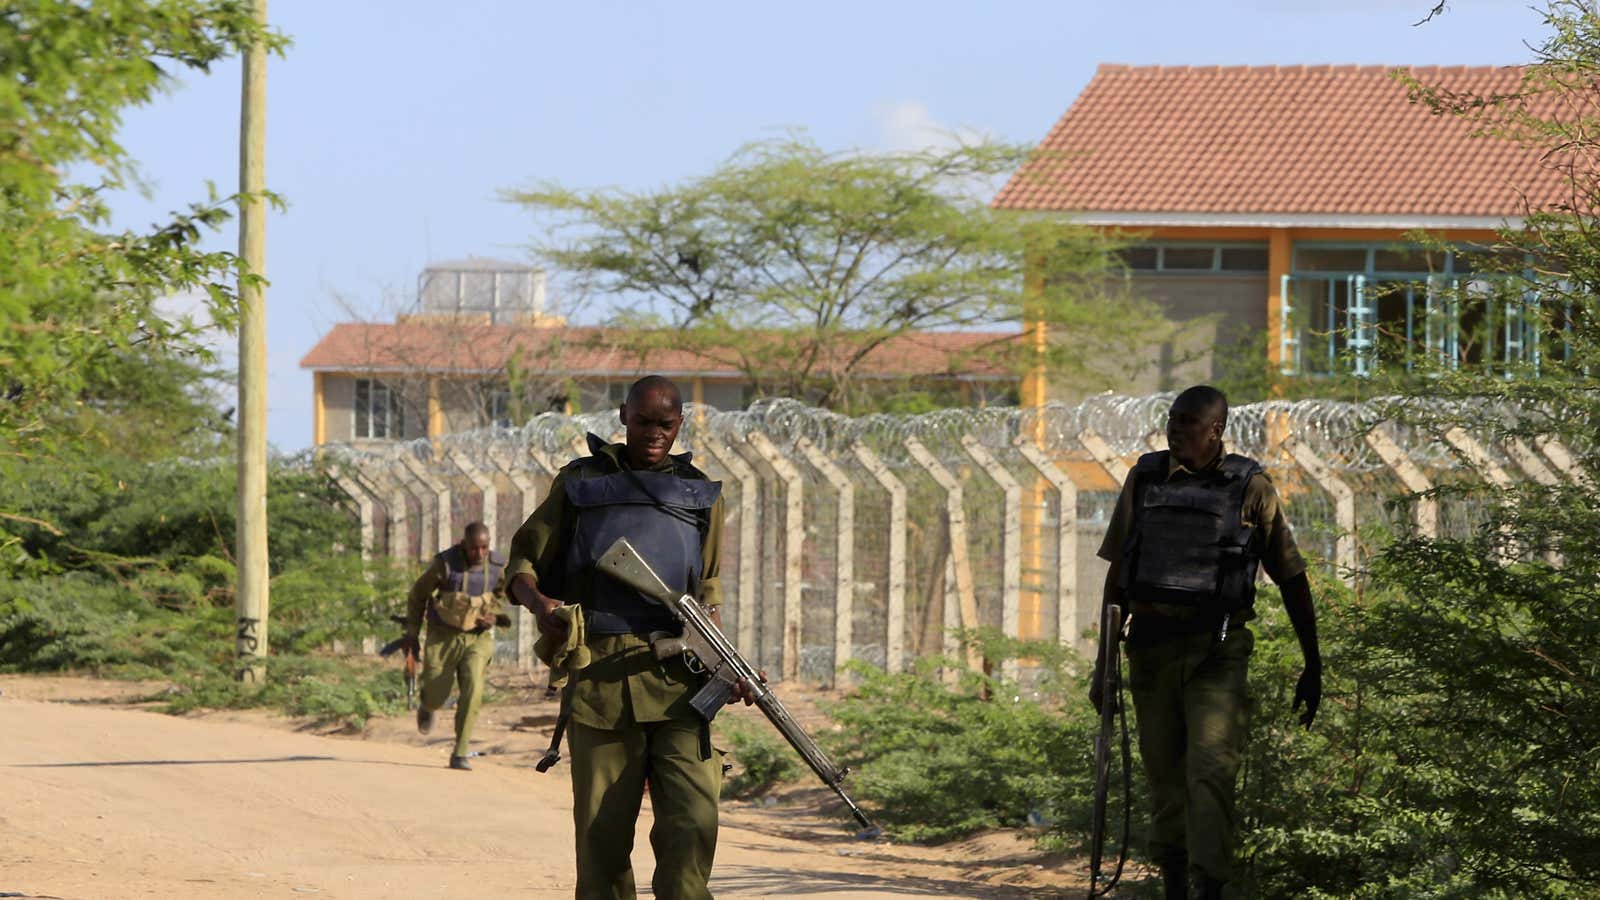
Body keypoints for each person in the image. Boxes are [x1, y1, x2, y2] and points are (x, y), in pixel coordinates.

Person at [504, 374, 737, 900]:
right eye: (644, 421)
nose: (655, 433)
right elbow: (523, 563)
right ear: (623, 417)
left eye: (666, 424)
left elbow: (709, 591)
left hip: (681, 683)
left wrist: (727, 663)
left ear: (680, 424)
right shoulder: (580, 484)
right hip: (602, 681)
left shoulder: (701, 494)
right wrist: (540, 605)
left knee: (693, 823)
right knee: (602, 840)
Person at [1092, 385, 1322, 900]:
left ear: (1215, 430)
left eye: (1188, 422)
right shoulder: (1146, 478)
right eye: (1172, 420)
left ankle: (1209, 886)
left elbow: (1290, 577)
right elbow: (1118, 578)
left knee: (1212, 771)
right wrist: (1102, 667)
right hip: (1149, 648)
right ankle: (1175, 884)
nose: (1175, 430)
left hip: (1216, 653)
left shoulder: (1251, 487)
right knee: (1166, 782)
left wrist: (1314, 664)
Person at [403, 521, 507, 771]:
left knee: (473, 687)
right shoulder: (445, 565)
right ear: (463, 545)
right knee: (437, 692)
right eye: (474, 548)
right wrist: (412, 634)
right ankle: (428, 705)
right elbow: (418, 596)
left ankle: (460, 752)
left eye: (484, 548)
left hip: (477, 638)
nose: (479, 554)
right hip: (443, 636)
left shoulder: (496, 567)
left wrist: (493, 614)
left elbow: (501, 595)